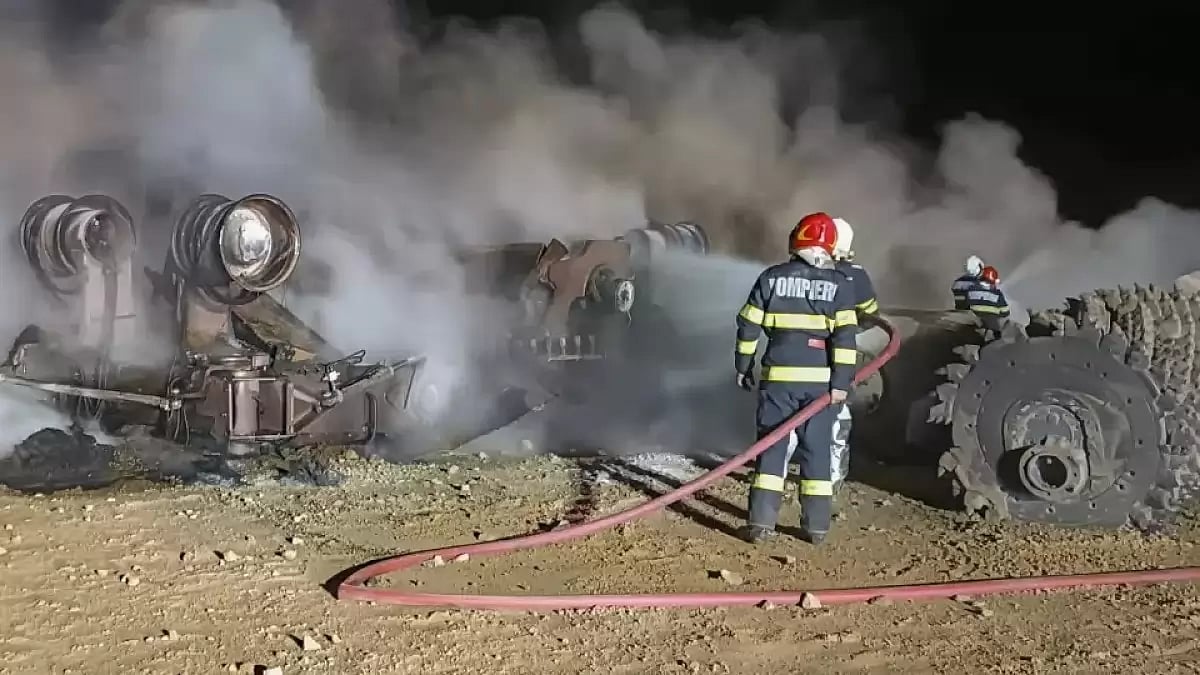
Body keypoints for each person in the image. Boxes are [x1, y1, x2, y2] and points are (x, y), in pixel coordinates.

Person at [734, 211, 858, 545]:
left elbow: (748, 327)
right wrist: (841, 385)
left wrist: (743, 366)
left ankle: (761, 523)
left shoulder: (771, 278)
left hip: (778, 383)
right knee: (816, 453)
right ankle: (816, 528)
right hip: (820, 389)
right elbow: (846, 340)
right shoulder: (840, 288)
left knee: (771, 448)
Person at [827, 217, 879, 497]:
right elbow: (871, 312)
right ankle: (831, 483)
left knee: (791, 418)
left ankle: (776, 469)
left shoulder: (800, 272)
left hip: (800, 359)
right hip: (841, 361)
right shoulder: (856, 275)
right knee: (836, 421)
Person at [969, 265, 1011, 334]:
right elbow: (1005, 312)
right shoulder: (997, 294)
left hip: (974, 322)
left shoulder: (971, 290)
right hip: (992, 325)